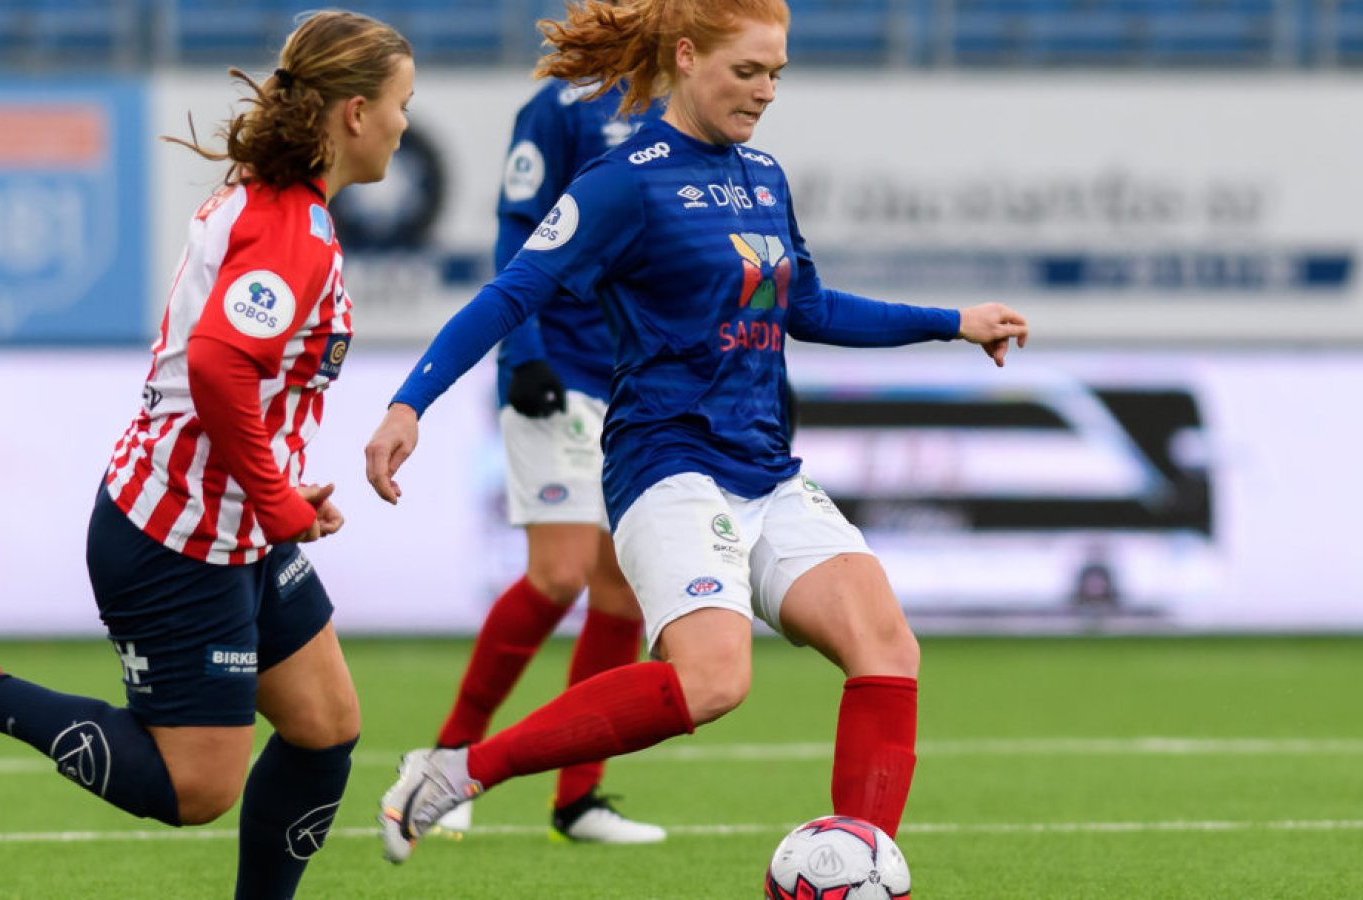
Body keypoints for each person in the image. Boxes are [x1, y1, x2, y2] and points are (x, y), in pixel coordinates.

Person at [364, 0, 1029, 865]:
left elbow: (812, 310)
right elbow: (511, 291)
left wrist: (953, 321)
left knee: (886, 645)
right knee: (717, 681)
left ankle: (856, 865)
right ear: (685, 57)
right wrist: (410, 402)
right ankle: (457, 772)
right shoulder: (623, 181)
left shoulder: (764, 176)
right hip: (667, 464)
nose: (764, 92)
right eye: (746, 72)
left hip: (764, 467)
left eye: (776, 75)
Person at [0, 11, 415, 897]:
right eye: (399, 104)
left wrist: (269, 491)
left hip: (232, 524)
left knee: (325, 725)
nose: (404, 124)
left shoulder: (270, 203)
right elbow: (220, 361)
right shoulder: (291, 231)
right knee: (196, 789)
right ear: (353, 113)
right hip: (177, 540)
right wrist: (275, 504)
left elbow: (229, 377)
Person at [428, 74, 666, 845]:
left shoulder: (691, 101)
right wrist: (523, 351)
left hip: (642, 375)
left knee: (622, 589)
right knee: (560, 574)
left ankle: (579, 798)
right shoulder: (562, 107)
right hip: (557, 369)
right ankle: (449, 758)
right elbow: (518, 229)